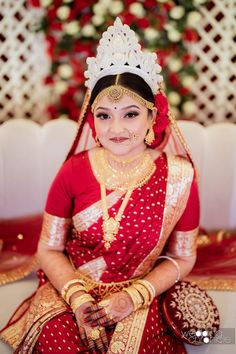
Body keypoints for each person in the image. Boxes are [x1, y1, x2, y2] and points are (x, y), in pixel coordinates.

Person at [0, 18, 199, 353]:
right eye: (104, 115)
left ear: (153, 116)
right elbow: (48, 249)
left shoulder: (180, 177)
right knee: (57, 340)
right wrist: (77, 298)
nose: (116, 128)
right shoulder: (73, 170)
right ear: (92, 119)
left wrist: (135, 296)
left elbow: (183, 256)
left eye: (131, 114)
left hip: (139, 293)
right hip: (72, 291)